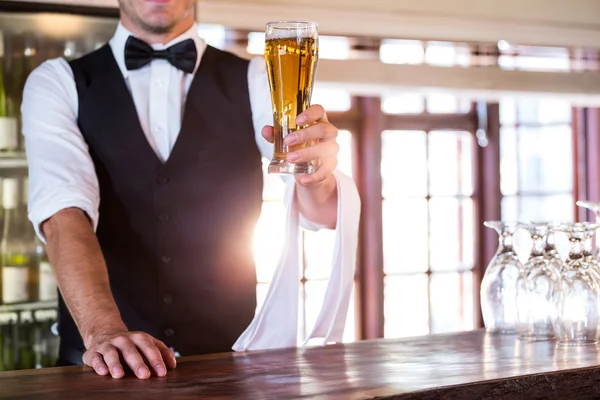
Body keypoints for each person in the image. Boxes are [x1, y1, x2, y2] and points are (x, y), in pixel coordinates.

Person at [21, 0, 359, 380]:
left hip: (224, 363)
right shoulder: (56, 82)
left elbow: (319, 212)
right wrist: (105, 332)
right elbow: (63, 216)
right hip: (100, 370)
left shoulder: (254, 77)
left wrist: (319, 174)